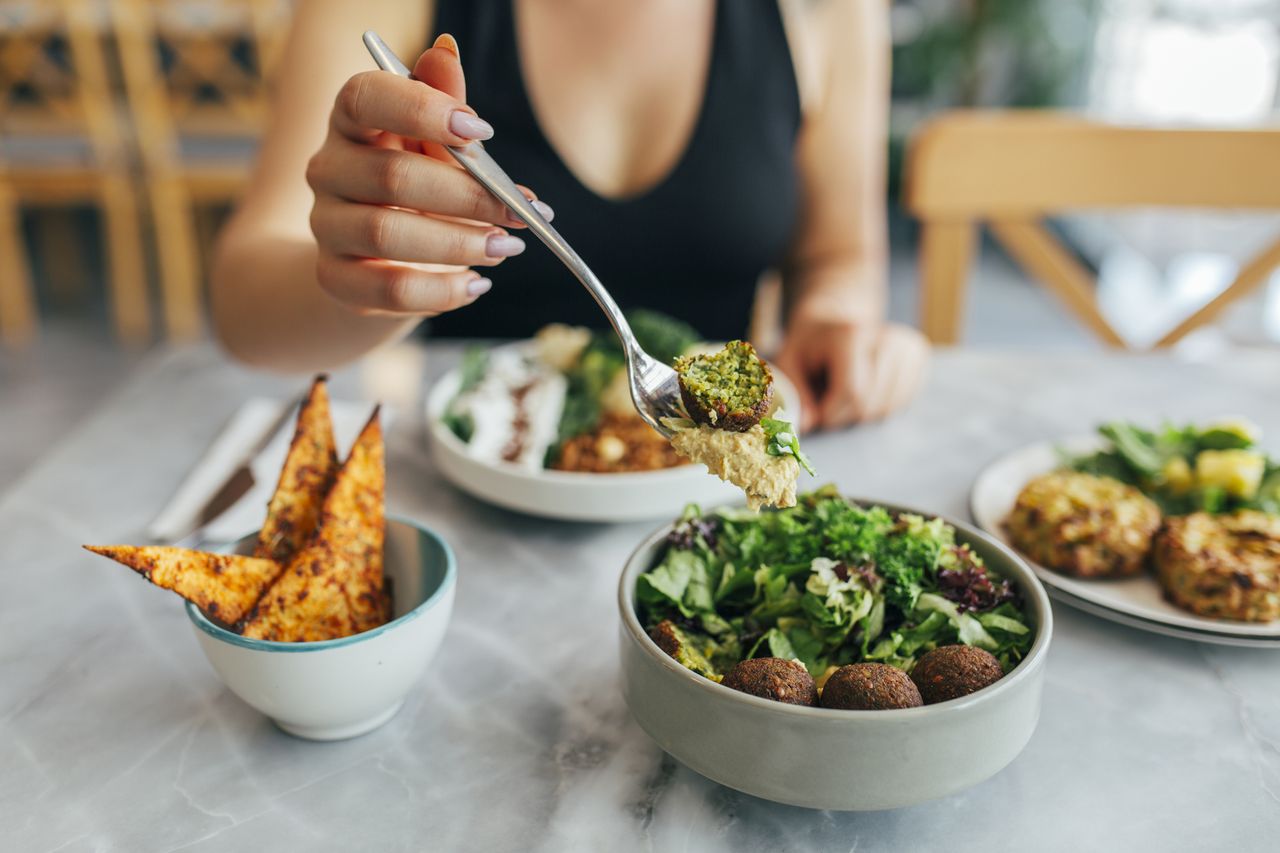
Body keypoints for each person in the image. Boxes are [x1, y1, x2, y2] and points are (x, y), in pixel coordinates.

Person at [212, 0, 929, 430]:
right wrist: (369, 281)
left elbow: (837, 253)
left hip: (709, 495)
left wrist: (835, 319)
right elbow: (242, 307)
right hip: (463, 486)